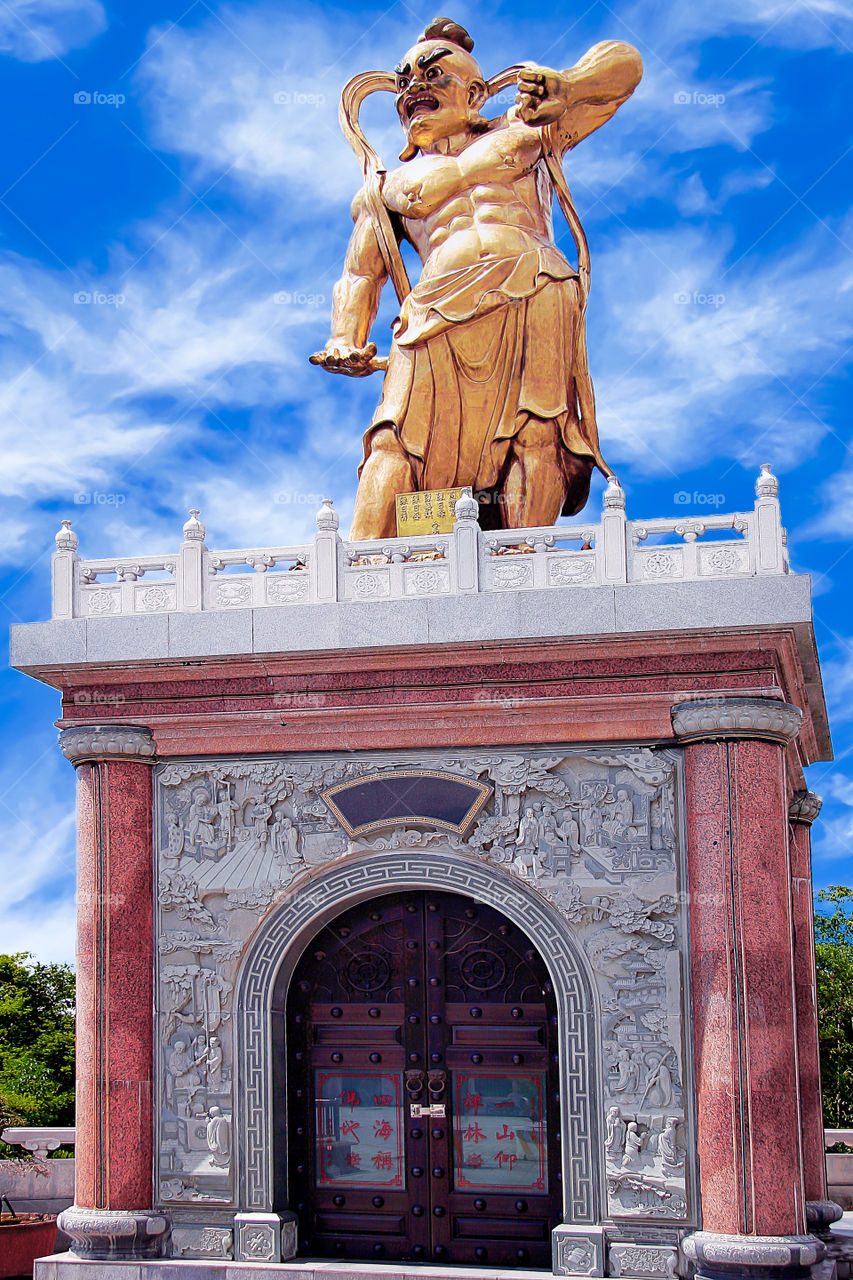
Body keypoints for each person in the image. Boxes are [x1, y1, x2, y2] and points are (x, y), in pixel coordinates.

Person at [312, 17, 642, 538]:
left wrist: (569, 85)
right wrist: (345, 337)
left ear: (473, 94)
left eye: (432, 75)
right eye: (403, 82)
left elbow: (624, 68)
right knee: (391, 442)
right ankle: (362, 569)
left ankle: (525, 558)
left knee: (537, 433)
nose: (413, 88)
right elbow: (360, 273)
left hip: (533, 286)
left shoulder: (529, 129)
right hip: (430, 316)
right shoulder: (385, 190)